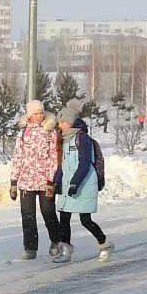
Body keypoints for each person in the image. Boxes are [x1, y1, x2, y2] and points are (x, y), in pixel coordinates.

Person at [53, 101, 111, 260]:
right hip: (68, 184)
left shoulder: (82, 138)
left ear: (71, 122)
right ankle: (66, 251)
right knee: (64, 218)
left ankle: (104, 244)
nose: (60, 125)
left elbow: (84, 164)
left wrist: (75, 183)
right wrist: (56, 182)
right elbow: (61, 164)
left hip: (83, 184)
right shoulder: (63, 139)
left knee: (85, 220)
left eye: (63, 121)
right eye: (59, 122)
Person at [9, 100, 62, 260]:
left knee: (48, 212)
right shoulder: (23, 132)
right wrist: (13, 181)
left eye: (41, 113)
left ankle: (56, 241)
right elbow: (17, 157)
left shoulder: (50, 131)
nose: (39, 116)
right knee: (28, 215)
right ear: (29, 115)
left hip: (45, 180)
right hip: (26, 181)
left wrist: (51, 180)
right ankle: (30, 248)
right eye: (36, 113)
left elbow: (54, 157)